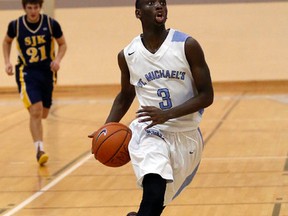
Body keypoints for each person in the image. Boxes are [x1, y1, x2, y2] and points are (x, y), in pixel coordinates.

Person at [90, 0, 213, 215]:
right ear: (138, 13)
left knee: (155, 205)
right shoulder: (128, 55)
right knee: (153, 190)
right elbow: (126, 95)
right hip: (149, 131)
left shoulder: (187, 46)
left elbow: (207, 96)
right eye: (151, 3)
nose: (159, 6)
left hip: (186, 136)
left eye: (162, 2)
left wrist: (167, 114)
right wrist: (107, 126)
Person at [2, 0, 67, 166]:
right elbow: (6, 41)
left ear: (40, 7)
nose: (33, 11)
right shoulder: (15, 25)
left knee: (44, 113)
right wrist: (7, 62)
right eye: (29, 8)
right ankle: (40, 150)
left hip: (47, 72)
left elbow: (62, 44)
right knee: (36, 111)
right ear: (25, 8)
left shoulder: (51, 24)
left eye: (35, 7)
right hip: (27, 72)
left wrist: (58, 60)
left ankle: (34, 110)